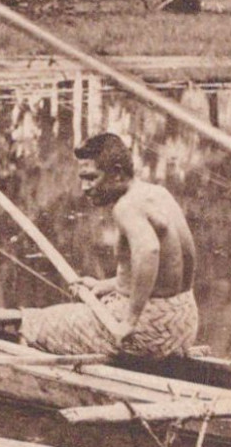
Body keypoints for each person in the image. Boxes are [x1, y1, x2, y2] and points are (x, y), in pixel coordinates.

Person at [20, 133, 199, 358]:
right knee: (86, 309)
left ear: (116, 173)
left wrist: (129, 322)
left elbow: (149, 251)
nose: (84, 188)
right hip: (182, 325)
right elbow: (179, 264)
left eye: (91, 177)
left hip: (147, 332)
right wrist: (107, 285)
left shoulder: (126, 207)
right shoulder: (158, 194)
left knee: (35, 323)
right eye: (82, 179)